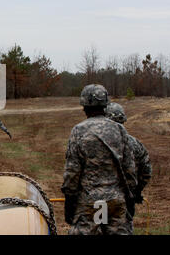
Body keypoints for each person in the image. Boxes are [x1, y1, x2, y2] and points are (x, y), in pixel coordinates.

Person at [61, 84, 137, 235]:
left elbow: (72, 171)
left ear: (84, 106)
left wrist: (69, 200)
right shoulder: (120, 129)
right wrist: (131, 196)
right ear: (105, 105)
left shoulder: (79, 131)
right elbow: (129, 168)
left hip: (90, 201)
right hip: (116, 200)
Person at [105, 102, 152, 233]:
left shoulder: (95, 142)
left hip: (99, 200)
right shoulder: (135, 144)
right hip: (125, 200)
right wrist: (136, 191)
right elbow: (146, 171)